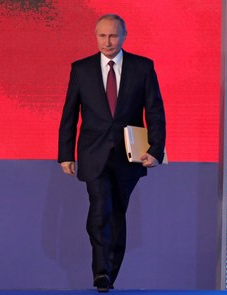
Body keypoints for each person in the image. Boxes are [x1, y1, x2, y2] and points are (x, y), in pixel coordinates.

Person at [58, 14, 166, 292]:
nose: (108, 41)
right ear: (96, 37)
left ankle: (109, 276)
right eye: (102, 36)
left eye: (113, 35)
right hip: (93, 153)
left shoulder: (142, 67)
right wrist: (65, 154)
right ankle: (101, 271)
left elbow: (154, 111)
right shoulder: (81, 69)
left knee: (117, 213)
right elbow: (70, 114)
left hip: (129, 155)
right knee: (100, 209)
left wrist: (155, 149)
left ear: (124, 36)